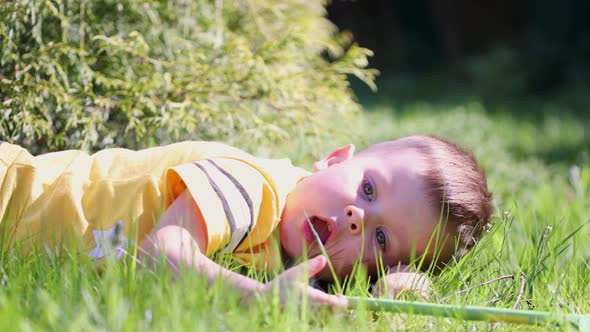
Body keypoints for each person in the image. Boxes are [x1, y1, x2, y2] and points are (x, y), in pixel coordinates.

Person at [0, 135, 492, 307]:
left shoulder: (294, 259)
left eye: (382, 238)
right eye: (368, 189)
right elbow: (161, 256)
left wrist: (397, 289)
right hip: (12, 196)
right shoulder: (253, 189)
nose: (357, 218)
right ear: (334, 157)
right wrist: (262, 298)